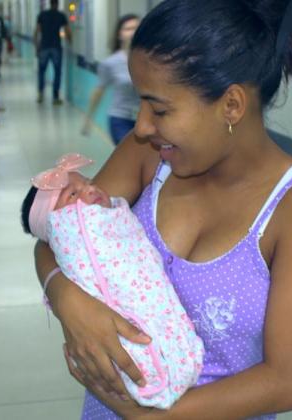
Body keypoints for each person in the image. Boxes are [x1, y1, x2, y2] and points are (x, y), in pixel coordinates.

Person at [32, 0, 292, 419]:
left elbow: (287, 382)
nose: (142, 126)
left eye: (159, 109)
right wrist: (66, 297)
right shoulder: (148, 157)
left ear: (231, 105)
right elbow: (55, 234)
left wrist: (148, 418)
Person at [21, 153, 205, 409]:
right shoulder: (141, 151)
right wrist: (63, 295)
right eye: (73, 195)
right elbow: (44, 244)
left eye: (87, 183)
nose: (90, 189)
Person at [82, 15, 141, 145]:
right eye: (128, 28)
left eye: (136, 28)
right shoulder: (110, 63)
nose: (133, 32)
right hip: (120, 119)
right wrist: (88, 119)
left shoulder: (150, 60)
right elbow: (99, 91)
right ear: (120, 34)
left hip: (145, 120)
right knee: (128, 158)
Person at [34, 0, 72, 105]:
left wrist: (36, 46)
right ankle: (55, 97)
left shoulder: (42, 15)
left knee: (41, 71)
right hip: (56, 47)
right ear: (57, 4)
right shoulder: (61, 16)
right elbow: (67, 30)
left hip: (44, 47)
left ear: (50, 3)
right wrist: (70, 41)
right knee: (57, 72)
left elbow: (36, 31)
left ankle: (40, 94)